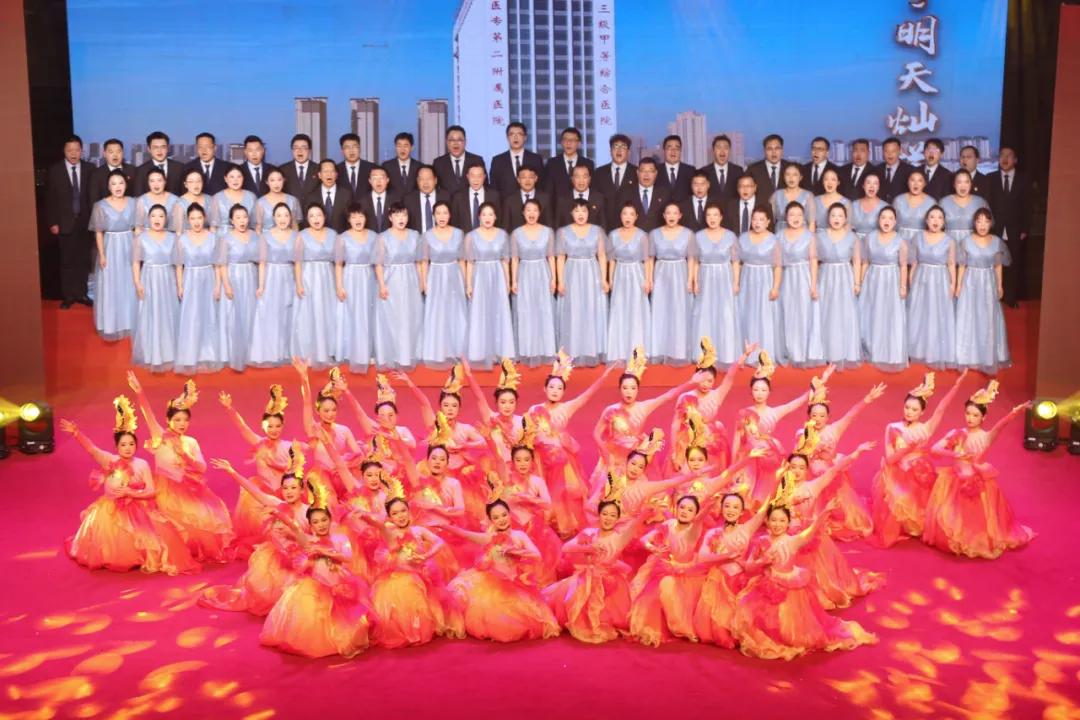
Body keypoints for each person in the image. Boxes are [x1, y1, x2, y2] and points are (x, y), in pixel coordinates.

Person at [60, 397, 197, 575]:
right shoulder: (109, 460)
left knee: (159, 538)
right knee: (113, 541)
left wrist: (131, 493)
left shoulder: (142, 464)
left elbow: (151, 491)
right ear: (117, 446)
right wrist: (76, 433)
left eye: (131, 444)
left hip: (138, 508)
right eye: (123, 444)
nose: (128, 448)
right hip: (110, 511)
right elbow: (91, 449)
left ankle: (140, 556)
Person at [730, 504, 877, 660]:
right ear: (767, 521)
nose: (777, 524)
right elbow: (748, 569)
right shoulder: (761, 542)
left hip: (789, 589)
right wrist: (761, 562)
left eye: (782, 520)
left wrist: (824, 512)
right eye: (774, 520)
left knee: (789, 628)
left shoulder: (793, 541)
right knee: (750, 614)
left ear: (788, 523)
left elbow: (811, 532)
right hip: (766, 586)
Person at [127, 375, 234, 561]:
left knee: (203, 515)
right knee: (170, 520)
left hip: (186, 488)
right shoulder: (159, 436)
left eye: (185, 420)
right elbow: (147, 413)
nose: (181, 424)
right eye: (177, 420)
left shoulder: (190, 442)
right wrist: (139, 392)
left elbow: (202, 468)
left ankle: (190, 548)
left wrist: (187, 457)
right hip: (164, 489)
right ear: (168, 420)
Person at [923, 382, 1034, 559]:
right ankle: (955, 538)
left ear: (983, 417)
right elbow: (934, 449)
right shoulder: (957, 433)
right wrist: (954, 453)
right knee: (952, 514)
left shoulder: (985, 437)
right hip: (955, 479)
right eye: (968, 413)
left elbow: (1000, 426)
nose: (970, 418)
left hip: (976, 481)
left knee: (976, 518)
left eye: (975, 415)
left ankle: (973, 539)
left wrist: (1015, 412)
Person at [348, 480, 464, 648]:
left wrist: (427, 555)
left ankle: (419, 628)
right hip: (398, 580)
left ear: (409, 512)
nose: (401, 515)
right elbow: (378, 525)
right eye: (395, 513)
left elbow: (439, 542)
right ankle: (407, 631)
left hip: (421, 577)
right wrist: (365, 516)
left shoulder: (418, 531)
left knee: (425, 601)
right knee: (405, 599)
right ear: (390, 517)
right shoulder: (390, 533)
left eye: (403, 511)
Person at [201, 449, 310, 614]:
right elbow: (254, 491)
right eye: (285, 488)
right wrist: (232, 471)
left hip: (298, 562)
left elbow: (312, 541)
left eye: (293, 488)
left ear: (302, 490)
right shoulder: (276, 504)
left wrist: (294, 536)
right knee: (264, 594)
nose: (289, 492)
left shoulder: (308, 512)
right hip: (276, 558)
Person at [445, 492, 561, 642]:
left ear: (509, 514)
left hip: (516, 583)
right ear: (491, 520)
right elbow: (465, 534)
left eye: (504, 515)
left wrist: (516, 551)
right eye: (496, 517)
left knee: (526, 618)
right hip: (492, 583)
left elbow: (536, 556)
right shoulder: (489, 538)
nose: (501, 520)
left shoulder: (519, 536)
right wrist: (444, 526)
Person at [260, 504, 372, 658]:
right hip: (315, 586)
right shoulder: (309, 540)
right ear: (311, 526)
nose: (321, 525)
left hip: (338, 583)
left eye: (324, 520)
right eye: (316, 522)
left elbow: (347, 557)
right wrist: (277, 513)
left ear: (330, 520)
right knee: (313, 615)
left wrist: (325, 552)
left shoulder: (340, 538)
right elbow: (294, 527)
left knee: (350, 626)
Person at [871, 370, 969, 547]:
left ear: (922, 412)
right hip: (898, 472)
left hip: (922, 473)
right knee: (899, 498)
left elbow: (941, 408)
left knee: (926, 507)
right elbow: (890, 459)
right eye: (907, 407)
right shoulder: (892, 428)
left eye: (914, 409)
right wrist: (907, 449)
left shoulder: (926, 428)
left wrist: (956, 386)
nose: (909, 412)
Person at [543, 477, 647, 643]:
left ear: (617, 518)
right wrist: (589, 548)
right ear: (599, 515)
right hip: (588, 577)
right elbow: (566, 548)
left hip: (610, 580)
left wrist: (645, 514)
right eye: (605, 514)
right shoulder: (590, 533)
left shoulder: (618, 537)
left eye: (612, 515)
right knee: (572, 596)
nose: (608, 518)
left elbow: (633, 526)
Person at [525, 355, 620, 536]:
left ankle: (565, 524)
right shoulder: (534, 410)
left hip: (562, 459)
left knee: (566, 491)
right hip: (540, 459)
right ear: (545, 389)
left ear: (563, 392)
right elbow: (526, 433)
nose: (555, 391)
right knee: (543, 490)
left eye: (559, 388)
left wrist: (604, 377)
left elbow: (587, 395)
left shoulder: (567, 407)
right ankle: (547, 522)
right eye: (551, 387)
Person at [800, 377, 886, 540]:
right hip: (812, 475)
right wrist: (813, 452)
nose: (818, 419)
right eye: (814, 415)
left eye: (822, 415)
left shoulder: (835, 429)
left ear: (828, 417)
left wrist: (867, 399)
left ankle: (833, 517)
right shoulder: (803, 433)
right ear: (809, 417)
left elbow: (851, 415)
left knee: (842, 507)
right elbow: (799, 457)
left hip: (831, 472)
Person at [733, 356, 825, 505]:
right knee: (744, 493)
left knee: (765, 494)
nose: (759, 393)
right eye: (756, 389)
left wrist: (817, 385)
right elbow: (737, 440)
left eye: (763, 390)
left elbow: (796, 403)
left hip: (768, 456)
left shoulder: (774, 412)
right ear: (751, 391)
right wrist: (732, 466)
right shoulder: (744, 413)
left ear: (769, 391)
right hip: (748, 458)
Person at [216, 385, 293, 560]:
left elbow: (292, 471)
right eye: (270, 426)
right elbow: (242, 427)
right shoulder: (258, 443)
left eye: (277, 426)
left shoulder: (289, 447)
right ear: (263, 426)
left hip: (283, 495)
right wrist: (230, 408)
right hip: (262, 494)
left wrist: (275, 464)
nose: (274, 429)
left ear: (282, 426)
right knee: (261, 527)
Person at [692, 492, 768, 647]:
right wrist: (727, 556)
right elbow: (702, 557)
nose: (731, 510)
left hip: (740, 580)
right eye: (727, 506)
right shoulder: (713, 533)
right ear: (721, 509)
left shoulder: (746, 529)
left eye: (735, 507)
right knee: (719, 629)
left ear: (741, 511)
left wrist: (778, 482)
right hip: (718, 579)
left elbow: (763, 510)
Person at [669, 341, 756, 472]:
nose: (705, 384)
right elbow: (675, 425)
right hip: (689, 440)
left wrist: (745, 355)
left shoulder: (717, 395)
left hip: (711, 440)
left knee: (710, 477)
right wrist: (674, 452)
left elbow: (730, 375)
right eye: (702, 380)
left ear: (714, 380)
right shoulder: (685, 397)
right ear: (696, 377)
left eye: (710, 381)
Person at [955, 208, 1011, 372]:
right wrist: (958, 285)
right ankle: (968, 356)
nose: (982, 225)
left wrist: (999, 285)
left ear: (991, 223)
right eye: (979, 221)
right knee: (970, 315)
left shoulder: (996, 242)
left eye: (986, 221)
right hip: (970, 282)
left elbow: (998, 266)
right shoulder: (966, 242)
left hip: (988, 283)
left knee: (988, 316)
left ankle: (987, 355)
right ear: (974, 223)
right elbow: (962, 266)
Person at [556, 200, 608, 365]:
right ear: (571, 213)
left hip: (592, 273)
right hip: (571, 273)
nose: (580, 214)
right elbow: (560, 257)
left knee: (591, 310)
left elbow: (602, 255)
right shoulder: (563, 232)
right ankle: (572, 351)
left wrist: (604, 278)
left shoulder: (597, 231)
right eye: (577, 211)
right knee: (574, 310)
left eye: (584, 211)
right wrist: (560, 281)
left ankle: (590, 350)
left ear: (588, 213)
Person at [46, 135, 95, 308]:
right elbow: (50, 199)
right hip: (64, 222)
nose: (73, 153)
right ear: (64, 151)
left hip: (85, 222)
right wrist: (52, 222)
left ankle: (82, 293)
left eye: (76, 150)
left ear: (82, 150)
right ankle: (68, 296)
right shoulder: (55, 170)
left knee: (83, 261)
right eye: (69, 150)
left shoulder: (90, 169)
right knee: (67, 261)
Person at [464, 202, 515, 367]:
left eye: (491, 214)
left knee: (498, 312)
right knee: (480, 312)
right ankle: (480, 353)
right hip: (479, 277)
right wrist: (469, 284)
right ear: (479, 217)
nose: (487, 218)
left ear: (495, 217)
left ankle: (500, 352)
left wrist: (507, 282)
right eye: (484, 214)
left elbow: (505, 261)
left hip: (498, 276)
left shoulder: (502, 235)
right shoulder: (471, 236)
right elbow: (470, 262)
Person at [859, 206, 909, 371]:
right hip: (872, 279)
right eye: (883, 218)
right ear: (878, 220)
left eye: (890, 218)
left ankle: (889, 353)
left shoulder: (900, 241)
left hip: (891, 281)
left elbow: (903, 266)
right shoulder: (869, 238)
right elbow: (865, 262)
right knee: (871, 314)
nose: (886, 221)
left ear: (895, 222)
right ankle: (871, 351)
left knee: (889, 315)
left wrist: (903, 286)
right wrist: (860, 282)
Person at [174, 203, 222, 374]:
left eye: (199, 218)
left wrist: (218, 284)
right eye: (193, 218)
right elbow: (178, 265)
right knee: (192, 315)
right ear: (188, 220)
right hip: (190, 279)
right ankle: (190, 355)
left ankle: (209, 354)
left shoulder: (213, 238)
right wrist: (180, 286)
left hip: (209, 277)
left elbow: (217, 264)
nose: (196, 222)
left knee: (209, 315)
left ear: (205, 218)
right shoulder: (182, 239)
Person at [373, 204, 423, 369]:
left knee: (411, 317)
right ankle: (393, 355)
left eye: (404, 215)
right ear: (390, 218)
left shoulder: (415, 236)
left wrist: (421, 282)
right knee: (393, 319)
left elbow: (419, 261)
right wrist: (382, 285)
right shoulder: (383, 238)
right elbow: (378, 264)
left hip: (411, 280)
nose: (401, 219)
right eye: (397, 215)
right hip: (391, 281)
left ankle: (409, 355)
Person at [90, 170, 138, 340]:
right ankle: (112, 323)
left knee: (129, 283)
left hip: (129, 244)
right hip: (110, 247)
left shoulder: (134, 203)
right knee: (111, 283)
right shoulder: (100, 206)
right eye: (113, 183)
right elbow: (98, 232)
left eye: (121, 183)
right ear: (108, 187)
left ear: (126, 185)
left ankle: (130, 321)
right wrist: (102, 254)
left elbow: (137, 229)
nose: (118, 187)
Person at [131, 204, 179, 372]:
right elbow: (135, 262)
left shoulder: (173, 238)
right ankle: (151, 352)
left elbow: (178, 264)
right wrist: (137, 282)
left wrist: (179, 284)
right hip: (149, 278)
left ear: (166, 219)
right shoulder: (140, 238)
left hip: (167, 278)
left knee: (168, 313)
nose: (157, 219)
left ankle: (169, 351)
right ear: (148, 219)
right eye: (153, 216)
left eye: (161, 216)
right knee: (150, 313)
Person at [907, 206, 957, 369]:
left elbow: (951, 264)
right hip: (921, 279)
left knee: (938, 314)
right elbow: (914, 262)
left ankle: (936, 352)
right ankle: (917, 350)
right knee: (919, 314)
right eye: (932, 217)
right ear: (926, 220)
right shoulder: (918, 237)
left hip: (940, 280)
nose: (936, 221)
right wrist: (911, 281)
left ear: (944, 222)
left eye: (939, 218)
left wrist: (953, 284)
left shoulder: (949, 241)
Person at [249, 203, 298, 367]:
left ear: (291, 217)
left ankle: (288, 351)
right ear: (273, 218)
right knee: (271, 313)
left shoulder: (296, 236)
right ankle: (271, 352)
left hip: (289, 276)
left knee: (289, 313)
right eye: (279, 215)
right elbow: (262, 263)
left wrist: (299, 282)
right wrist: (261, 286)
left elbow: (298, 263)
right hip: (271, 276)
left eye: (286, 215)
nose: (283, 219)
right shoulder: (266, 236)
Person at [510, 199, 557, 366]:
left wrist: (554, 278)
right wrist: (514, 280)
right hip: (524, 274)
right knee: (526, 311)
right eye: (528, 210)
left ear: (539, 213)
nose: (531, 213)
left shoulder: (548, 232)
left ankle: (546, 350)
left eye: (535, 210)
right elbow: (515, 259)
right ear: (523, 213)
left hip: (543, 273)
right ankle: (527, 350)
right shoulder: (516, 234)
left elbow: (551, 256)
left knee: (544, 310)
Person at [291, 204, 338, 369]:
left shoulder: (333, 235)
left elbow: (338, 262)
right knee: (309, 313)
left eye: (318, 215)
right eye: (311, 216)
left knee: (328, 313)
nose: (315, 219)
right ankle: (309, 353)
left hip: (328, 278)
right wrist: (299, 283)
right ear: (307, 218)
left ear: (324, 216)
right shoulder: (301, 236)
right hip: (309, 277)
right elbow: (297, 262)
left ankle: (327, 351)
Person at [649, 201, 696, 364]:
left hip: (680, 273)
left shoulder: (688, 234)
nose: (671, 216)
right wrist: (650, 279)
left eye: (675, 213)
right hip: (661, 273)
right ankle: (660, 350)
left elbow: (691, 258)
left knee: (679, 311)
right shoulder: (654, 234)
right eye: (668, 213)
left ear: (680, 216)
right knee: (661, 311)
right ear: (663, 216)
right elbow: (650, 258)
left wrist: (690, 279)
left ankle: (678, 350)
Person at [815, 203, 862, 368]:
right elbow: (814, 260)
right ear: (828, 217)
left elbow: (856, 260)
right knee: (825, 312)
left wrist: (857, 282)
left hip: (845, 277)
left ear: (845, 219)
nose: (836, 219)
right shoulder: (819, 236)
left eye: (840, 216)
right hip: (825, 276)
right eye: (833, 215)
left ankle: (843, 352)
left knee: (843, 313)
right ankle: (825, 352)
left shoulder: (852, 237)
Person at [985, 146, 1031, 307]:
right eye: (1002, 155)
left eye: (1009, 156)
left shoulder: (1023, 180)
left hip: (1015, 229)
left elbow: (1028, 206)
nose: (1004, 159)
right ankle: (993, 298)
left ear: (1015, 160)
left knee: (1012, 264)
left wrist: (1025, 228)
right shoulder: (990, 178)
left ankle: (1010, 298)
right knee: (993, 264)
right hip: (993, 229)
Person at [779, 202, 823, 368]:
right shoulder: (779, 236)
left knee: (804, 313)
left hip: (804, 276)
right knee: (787, 312)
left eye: (799, 215)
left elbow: (813, 260)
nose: (795, 218)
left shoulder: (809, 236)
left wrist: (813, 285)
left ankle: (804, 352)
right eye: (792, 214)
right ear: (786, 217)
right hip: (786, 277)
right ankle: (789, 350)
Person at [605, 203, 652, 363]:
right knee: (619, 309)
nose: (628, 217)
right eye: (625, 214)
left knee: (636, 310)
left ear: (636, 217)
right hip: (620, 274)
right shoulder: (613, 235)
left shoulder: (642, 236)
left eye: (631, 214)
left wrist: (648, 280)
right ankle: (619, 350)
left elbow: (647, 260)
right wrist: (611, 279)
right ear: (620, 216)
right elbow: (611, 260)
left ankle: (637, 350)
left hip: (637, 274)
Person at [333, 205, 377, 372]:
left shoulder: (374, 237)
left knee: (368, 314)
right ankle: (350, 352)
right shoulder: (342, 238)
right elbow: (338, 264)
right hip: (350, 278)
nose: (357, 220)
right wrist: (339, 286)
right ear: (348, 220)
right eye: (353, 217)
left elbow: (379, 262)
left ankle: (368, 351)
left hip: (369, 277)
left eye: (360, 216)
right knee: (351, 314)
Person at [214, 205, 259, 371]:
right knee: (233, 315)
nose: (242, 220)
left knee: (250, 313)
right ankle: (231, 353)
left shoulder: (255, 236)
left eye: (244, 217)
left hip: (250, 276)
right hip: (233, 277)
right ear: (232, 220)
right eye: (238, 217)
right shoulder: (225, 238)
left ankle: (250, 352)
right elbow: (222, 264)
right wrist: (226, 285)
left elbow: (260, 260)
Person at [737, 207, 783, 364]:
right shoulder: (742, 238)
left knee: (764, 315)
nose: (757, 223)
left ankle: (764, 353)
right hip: (747, 279)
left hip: (765, 279)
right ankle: (746, 352)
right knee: (746, 313)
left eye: (761, 219)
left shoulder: (773, 240)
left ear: (768, 222)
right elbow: (737, 263)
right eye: (754, 219)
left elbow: (778, 266)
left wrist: (775, 287)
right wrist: (737, 282)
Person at [488, 121, 544, 197]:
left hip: (531, 202)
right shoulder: (497, 161)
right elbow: (494, 188)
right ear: (507, 138)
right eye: (512, 134)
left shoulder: (536, 159)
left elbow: (541, 185)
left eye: (519, 134)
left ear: (525, 137)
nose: (515, 137)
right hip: (505, 203)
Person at [594, 134, 637, 229]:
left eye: (623, 147)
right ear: (610, 151)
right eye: (615, 147)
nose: (619, 150)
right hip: (604, 227)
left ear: (628, 152)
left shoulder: (636, 173)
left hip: (629, 228)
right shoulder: (599, 173)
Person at [940, 170, 989, 249]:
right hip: (948, 247)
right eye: (959, 182)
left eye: (966, 182)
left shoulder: (980, 202)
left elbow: (989, 225)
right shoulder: (944, 202)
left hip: (974, 248)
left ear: (971, 184)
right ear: (954, 184)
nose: (963, 186)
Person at [615, 157, 666, 232]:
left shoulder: (665, 194)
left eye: (650, 171)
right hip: (632, 237)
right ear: (637, 172)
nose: (646, 175)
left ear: (656, 173)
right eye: (643, 171)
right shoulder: (625, 193)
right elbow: (618, 219)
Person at [432, 125, 485, 195]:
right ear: (446, 142)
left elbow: (485, 187)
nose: (455, 143)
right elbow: (434, 189)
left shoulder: (477, 160)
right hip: (446, 201)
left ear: (465, 142)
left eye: (459, 140)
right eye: (452, 140)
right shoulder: (438, 163)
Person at [544, 126, 594, 198]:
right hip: (558, 204)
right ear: (561, 142)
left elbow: (591, 189)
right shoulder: (552, 163)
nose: (568, 143)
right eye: (565, 140)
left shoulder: (588, 163)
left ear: (579, 143)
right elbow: (548, 191)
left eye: (572, 140)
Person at [208, 165, 256, 237]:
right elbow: (213, 227)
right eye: (232, 177)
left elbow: (255, 225)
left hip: (246, 237)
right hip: (223, 237)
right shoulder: (217, 198)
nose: (235, 180)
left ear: (243, 178)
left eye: (239, 177)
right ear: (226, 179)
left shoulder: (251, 197)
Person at [502, 165, 552, 232]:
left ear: (536, 178)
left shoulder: (545, 198)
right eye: (523, 177)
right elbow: (505, 227)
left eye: (531, 177)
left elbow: (549, 224)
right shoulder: (509, 200)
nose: (527, 180)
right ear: (518, 180)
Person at [306, 159, 352, 233]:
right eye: (325, 171)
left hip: (341, 237)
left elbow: (351, 220)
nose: (329, 174)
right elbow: (307, 222)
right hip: (318, 237)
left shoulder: (346, 195)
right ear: (319, 175)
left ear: (336, 175)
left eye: (332, 171)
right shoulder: (311, 196)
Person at [747, 133, 793, 205]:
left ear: (782, 150)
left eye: (777, 148)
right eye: (769, 149)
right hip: (761, 209)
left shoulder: (791, 168)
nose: (774, 152)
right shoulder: (753, 169)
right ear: (764, 151)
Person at [134, 131, 184, 196]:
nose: (159, 151)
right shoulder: (141, 171)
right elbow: (138, 195)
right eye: (155, 147)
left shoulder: (180, 168)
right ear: (149, 149)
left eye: (163, 147)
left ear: (168, 148)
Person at [405, 165, 450, 235]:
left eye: (429, 179)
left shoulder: (446, 197)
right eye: (421, 179)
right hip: (417, 239)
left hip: (442, 238)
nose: (425, 183)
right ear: (417, 181)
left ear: (435, 180)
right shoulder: (408, 199)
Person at [253, 168, 301, 233]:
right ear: (267, 182)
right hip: (266, 238)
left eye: (279, 180)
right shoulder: (260, 202)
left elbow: (294, 224)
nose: (276, 184)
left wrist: (295, 238)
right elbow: (258, 226)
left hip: (288, 237)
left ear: (284, 180)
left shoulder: (292, 200)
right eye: (272, 180)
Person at [893, 169, 933, 246]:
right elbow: (892, 225)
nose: (916, 184)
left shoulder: (931, 202)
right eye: (912, 180)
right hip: (900, 243)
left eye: (920, 181)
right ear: (908, 182)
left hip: (922, 244)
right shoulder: (898, 200)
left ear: (924, 183)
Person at [134, 168, 179, 233]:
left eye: (159, 180)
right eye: (152, 181)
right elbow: (138, 226)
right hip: (147, 236)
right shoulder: (142, 200)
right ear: (148, 183)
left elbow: (178, 226)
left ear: (165, 182)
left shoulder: (175, 200)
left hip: (169, 236)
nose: (156, 184)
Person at [771, 164, 816, 233]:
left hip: (802, 235)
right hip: (780, 233)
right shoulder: (776, 195)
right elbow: (770, 220)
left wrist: (810, 238)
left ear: (800, 177)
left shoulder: (808, 195)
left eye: (795, 175)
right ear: (784, 177)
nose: (791, 178)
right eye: (787, 174)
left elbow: (812, 223)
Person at [702, 133, 744, 204]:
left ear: (730, 151)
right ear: (713, 151)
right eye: (718, 148)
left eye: (726, 148)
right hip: (711, 210)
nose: (722, 151)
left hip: (732, 210)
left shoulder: (738, 171)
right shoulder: (704, 171)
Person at [358, 167, 400, 234]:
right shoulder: (361, 202)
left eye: (381, 178)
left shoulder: (396, 200)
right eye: (374, 178)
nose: (378, 181)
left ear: (387, 180)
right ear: (370, 181)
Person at [279, 133, 321, 200]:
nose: (299, 151)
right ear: (292, 151)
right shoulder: (282, 170)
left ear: (309, 150)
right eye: (296, 148)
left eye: (303, 148)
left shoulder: (318, 169)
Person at [656, 134, 695, 202]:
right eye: (669, 148)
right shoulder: (656, 170)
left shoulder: (690, 171)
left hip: (684, 208)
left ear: (680, 151)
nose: (673, 151)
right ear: (664, 151)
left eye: (677, 148)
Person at [336, 132, 376, 197]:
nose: (351, 151)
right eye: (347, 147)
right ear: (342, 151)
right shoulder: (336, 170)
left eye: (354, 147)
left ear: (359, 149)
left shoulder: (372, 168)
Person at [850, 173, 887, 242]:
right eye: (868, 183)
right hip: (855, 243)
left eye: (875, 183)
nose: (871, 186)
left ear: (879, 187)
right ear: (863, 186)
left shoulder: (885, 207)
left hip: (876, 244)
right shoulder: (854, 205)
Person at [382, 131, 419, 196]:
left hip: (414, 202)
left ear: (412, 148)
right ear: (395, 148)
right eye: (399, 146)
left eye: (405, 146)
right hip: (393, 202)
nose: (402, 149)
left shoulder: (419, 166)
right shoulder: (386, 166)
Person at [879, 136, 913, 203]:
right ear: (882, 152)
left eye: (893, 151)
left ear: (900, 151)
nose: (890, 154)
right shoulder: (876, 170)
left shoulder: (910, 170)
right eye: (886, 151)